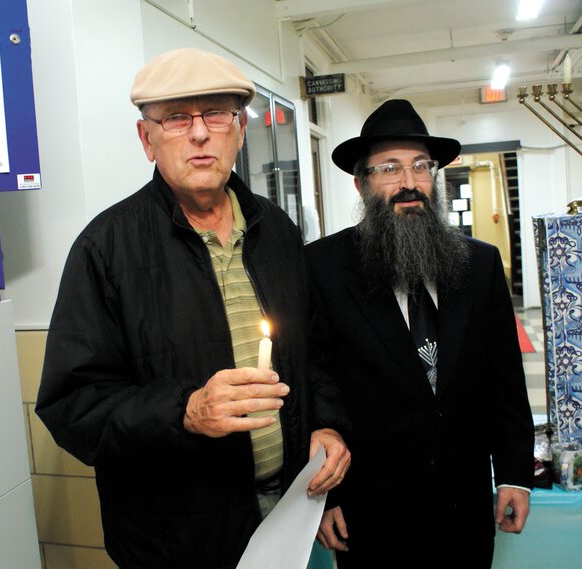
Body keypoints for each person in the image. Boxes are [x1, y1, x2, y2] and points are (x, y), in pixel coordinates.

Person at [35, 48, 350, 569]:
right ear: (146, 139)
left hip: (291, 509)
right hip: (175, 538)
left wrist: (328, 426)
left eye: (216, 114)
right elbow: (73, 406)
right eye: (177, 118)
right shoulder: (105, 249)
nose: (199, 134)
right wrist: (184, 411)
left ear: (240, 132)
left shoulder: (278, 233)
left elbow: (314, 356)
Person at [309, 99, 534, 568]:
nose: (408, 183)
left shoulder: (481, 264)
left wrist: (515, 473)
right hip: (371, 512)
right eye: (389, 168)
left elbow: (505, 380)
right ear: (361, 183)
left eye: (420, 166)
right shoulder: (322, 269)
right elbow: (314, 383)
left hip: (465, 506)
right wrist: (325, 499)